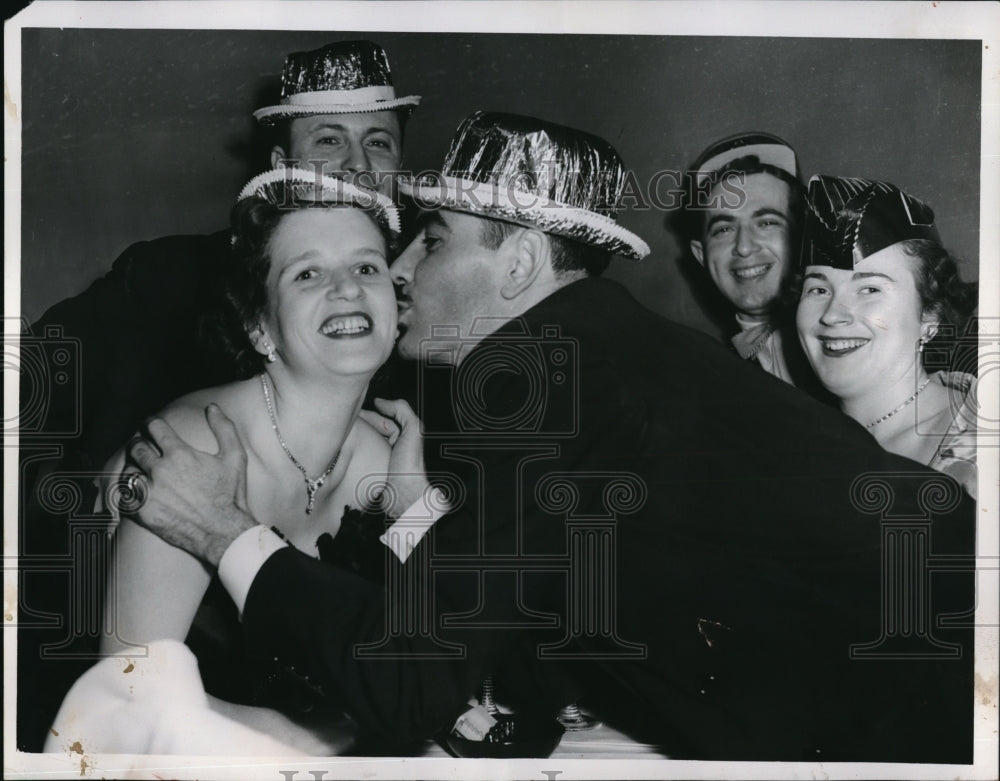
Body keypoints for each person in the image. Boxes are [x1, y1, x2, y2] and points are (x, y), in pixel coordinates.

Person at [123, 112, 974, 761]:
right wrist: (422, 516)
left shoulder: (540, 376)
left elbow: (411, 681)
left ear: (522, 265)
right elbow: (514, 612)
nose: (403, 266)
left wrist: (223, 532)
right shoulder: (604, 350)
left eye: (434, 238)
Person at [17, 39, 420, 752]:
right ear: (258, 327)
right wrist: (91, 494)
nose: (358, 165)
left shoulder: (413, 370)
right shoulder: (173, 286)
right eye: (330, 139)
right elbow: (127, 710)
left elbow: (428, 649)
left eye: (378, 142)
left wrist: (419, 500)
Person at [797, 174, 979, 498]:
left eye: (869, 288)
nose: (832, 314)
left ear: (930, 316)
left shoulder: (984, 441)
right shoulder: (796, 446)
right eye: (818, 288)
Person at [686, 132, 822, 391]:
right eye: (724, 229)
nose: (744, 247)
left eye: (767, 223)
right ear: (700, 255)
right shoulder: (712, 377)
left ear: (802, 237)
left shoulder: (845, 343)